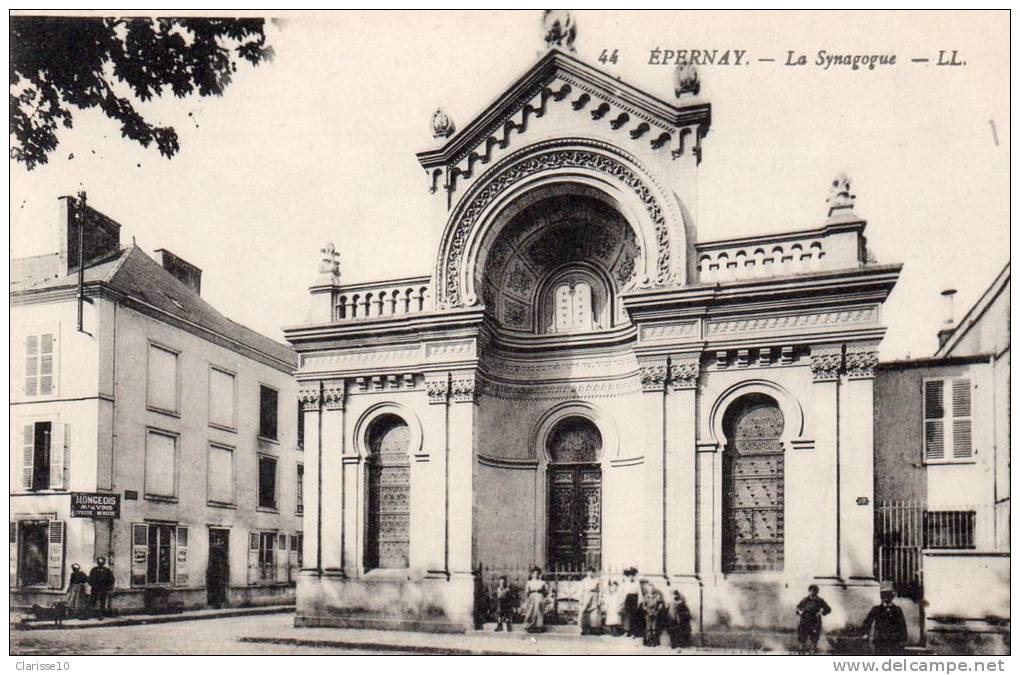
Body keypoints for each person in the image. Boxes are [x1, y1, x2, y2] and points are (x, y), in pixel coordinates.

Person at [863, 582, 908, 655]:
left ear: (892, 597)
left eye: (889, 596)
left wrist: (903, 639)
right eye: (884, 596)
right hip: (880, 641)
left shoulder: (897, 609)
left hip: (894, 641)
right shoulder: (876, 609)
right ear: (881, 597)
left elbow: (902, 625)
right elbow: (867, 622)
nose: (886, 599)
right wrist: (865, 633)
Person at [796, 584, 832, 654]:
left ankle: (813, 648)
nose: (812, 592)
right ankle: (802, 646)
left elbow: (828, 609)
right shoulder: (805, 600)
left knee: (814, 635)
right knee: (803, 634)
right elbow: (798, 607)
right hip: (805, 619)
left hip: (814, 620)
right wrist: (800, 612)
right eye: (811, 591)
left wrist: (821, 612)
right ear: (809, 591)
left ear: (817, 592)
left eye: (814, 591)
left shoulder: (820, 600)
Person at [522, 567, 549, 633]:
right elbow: (527, 591)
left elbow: (547, 590)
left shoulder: (542, 582)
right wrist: (527, 599)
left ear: (539, 574)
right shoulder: (529, 582)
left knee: (539, 610)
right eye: (534, 573)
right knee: (531, 610)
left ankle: (539, 626)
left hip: (539, 596)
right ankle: (530, 625)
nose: (535, 575)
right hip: (532, 596)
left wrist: (543, 595)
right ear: (532, 574)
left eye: (537, 573)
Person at [640, 580, 665, 647]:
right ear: (647, 589)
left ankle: (654, 642)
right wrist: (647, 611)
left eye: (651, 588)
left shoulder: (657, 596)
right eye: (649, 588)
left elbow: (660, 604)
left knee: (654, 628)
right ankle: (648, 642)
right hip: (648, 613)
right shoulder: (646, 596)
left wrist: (657, 611)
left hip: (655, 613)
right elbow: (643, 606)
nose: (650, 589)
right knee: (648, 628)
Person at [578, 567, 602, 635]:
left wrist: (599, 599)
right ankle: (584, 629)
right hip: (586, 595)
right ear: (587, 573)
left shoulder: (597, 580)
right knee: (584, 612)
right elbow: (581, 590)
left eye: (592, 572)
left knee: (594, 612)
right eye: (589, 572)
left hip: (594, 596)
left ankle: (594, 629)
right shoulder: (584, 580)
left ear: (594, 573)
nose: (590, 573)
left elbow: (600, 590)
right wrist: (581, 599)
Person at [621, 567, 643, 638]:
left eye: (632, 575)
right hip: (628, 599)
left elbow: (639, 593)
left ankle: (634, 632)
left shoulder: (637, 583)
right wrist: (623, 601)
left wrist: (640, 602)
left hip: (634, 599)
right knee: (627, 616)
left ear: (634, 576)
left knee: (634, 616)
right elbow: (624, 592)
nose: (631, 577)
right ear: (628, 576)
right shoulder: (626, 583)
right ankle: (627, 631)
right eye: (630, 575)